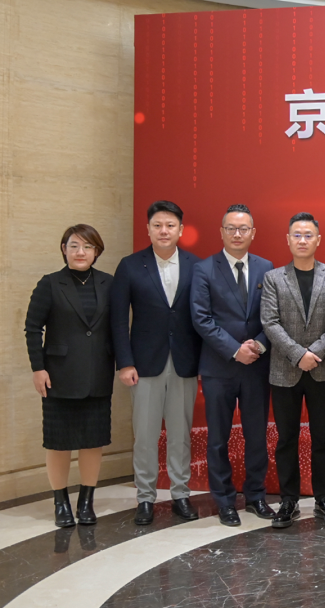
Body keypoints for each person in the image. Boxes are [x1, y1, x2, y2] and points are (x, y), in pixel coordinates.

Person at [110, 200, 202, 525]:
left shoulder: (196, 266)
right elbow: (118, 319)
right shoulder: (130, 266)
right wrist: (125, 363)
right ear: (148, 229)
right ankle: (145, 498)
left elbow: (202, 318)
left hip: (184, 363)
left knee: (180, 434)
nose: (164, 231)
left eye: (170, 225)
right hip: (144, 364)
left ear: (181, 230)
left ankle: (180, 494)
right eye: (157, 225)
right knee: (145, 436)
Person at [190, 204, 274, 526]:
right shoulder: (204, 269)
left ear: (253, 233)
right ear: (221, 232)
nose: (237, 234)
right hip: (219, 367)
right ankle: (224, 500)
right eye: (231, 228)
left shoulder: (266, 267)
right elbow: (201, 319)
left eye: (243, 229)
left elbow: (273, 316)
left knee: (256, 436)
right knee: (218, 438)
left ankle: (256, 496)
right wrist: (234, 350)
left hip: (256, 366)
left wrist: (259, 344)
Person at [25, 225, 114, 527]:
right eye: (74, 245)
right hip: (58, 376)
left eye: (87, 246)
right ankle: (60, 503)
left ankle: (86, 502)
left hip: (98, 374)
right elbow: (32, 328)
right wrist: (38, 368)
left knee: (92, 442)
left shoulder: (109, 283)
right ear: (64, 249)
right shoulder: (50, 283)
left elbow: (116, 328)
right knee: (59, 442)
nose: (80, 252)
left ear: (96, 251)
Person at [261, 212, 325, 529]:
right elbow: (270, 323)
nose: (303, 240)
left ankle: (324, 498)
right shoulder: (274, 278)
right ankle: (288, 500)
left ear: (318, 240)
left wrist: (315, 353)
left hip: (321, 370)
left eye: (308, 235)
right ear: (288, 240)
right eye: (297, 234)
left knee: (323, 438)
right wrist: (298, 355)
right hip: (285, 371)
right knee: (286, 439)